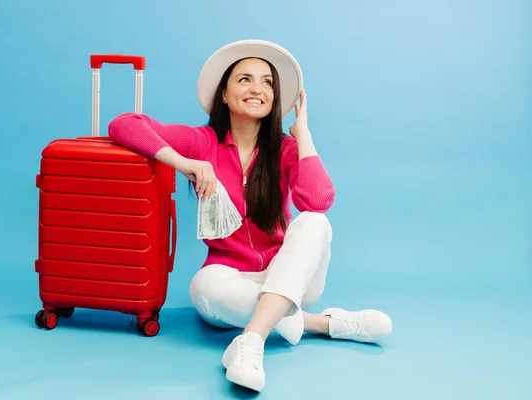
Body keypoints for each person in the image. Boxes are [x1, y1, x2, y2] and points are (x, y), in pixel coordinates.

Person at [108, 39, 393, 392]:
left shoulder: (285, 150)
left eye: (267, 82)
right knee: (202, 288)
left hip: (288, 274)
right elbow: (124, 124)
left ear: (274, 99)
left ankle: (251, 340)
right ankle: (322, 324)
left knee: (315, 221)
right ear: (224, 95)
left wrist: (302, 134)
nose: (257, 89)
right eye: (244, 79)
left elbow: (318, 201)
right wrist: (185, 164)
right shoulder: (203, 143)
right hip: (232, 280)